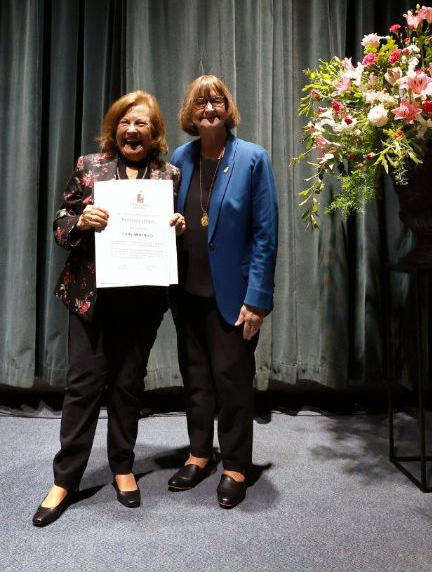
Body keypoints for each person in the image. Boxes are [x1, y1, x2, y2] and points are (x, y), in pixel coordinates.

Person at [33, 91, 186, 527]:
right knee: (83, 389)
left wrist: (176, 225)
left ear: (154, 133)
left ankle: (122, 468)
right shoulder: (89, 167)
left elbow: (173, 231)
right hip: (91, 302)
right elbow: (61, 226)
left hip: (142, 303)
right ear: (114, 129)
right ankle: (65, 480)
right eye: (124, 122)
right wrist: (80, 221)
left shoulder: (168, 175)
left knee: (127, 387)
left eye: (141, 123)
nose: (132, 130)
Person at [168, 75, 278, 508]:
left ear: (227, 107)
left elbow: (265, 235)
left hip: (234, 297)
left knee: (232, 382)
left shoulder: (253, 158)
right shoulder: (180, 157)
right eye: (200, 102)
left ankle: (235, 464)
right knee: (195, 380)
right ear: (190, 113)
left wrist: (257, 300)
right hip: (186, 292)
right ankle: (200, 455)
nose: (208, 108)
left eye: (215, 101)